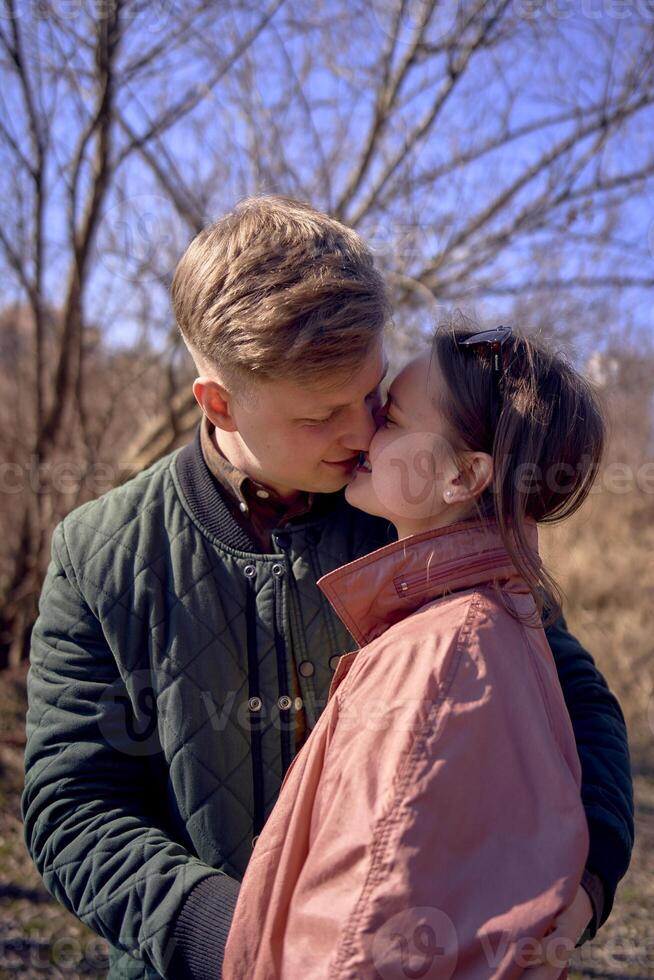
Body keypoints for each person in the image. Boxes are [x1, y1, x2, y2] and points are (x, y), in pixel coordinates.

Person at [21, 197, 633, 980]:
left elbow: (573, 702)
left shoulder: (415, 510)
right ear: (219, 402)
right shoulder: (97, 553)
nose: (362, 431)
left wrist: (583, 887)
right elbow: (73, 804)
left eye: (373, 394)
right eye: (322, 414)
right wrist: (241, 942)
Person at [221, 320, 614, 979]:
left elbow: (357, 946)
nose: (367, 434)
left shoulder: (444, 655)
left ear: (463, 476)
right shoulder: (469, 621)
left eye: (393, 419)